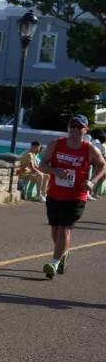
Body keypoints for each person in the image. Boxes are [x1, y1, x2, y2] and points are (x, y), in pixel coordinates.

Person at [36, 114, 105, 279]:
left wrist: (92, 181)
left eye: (78, 126)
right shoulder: (56, 144)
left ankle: (53, 263)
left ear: (85, 129)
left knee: (64, 229)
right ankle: (63, 254)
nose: (74, 129)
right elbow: (42, 165)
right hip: (54, 193)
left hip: (76, 196)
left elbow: (103, 165)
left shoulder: (90, 149)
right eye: (71, 125)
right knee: (54, 229)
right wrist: (56, 171)